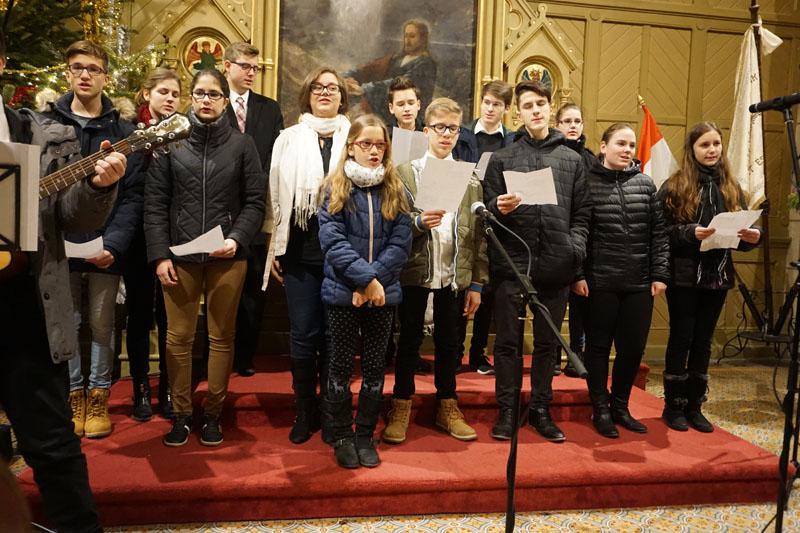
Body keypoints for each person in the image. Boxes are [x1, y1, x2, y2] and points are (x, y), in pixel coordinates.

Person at [0, 31, 128, 531]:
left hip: (26, 310)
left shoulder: (39, 131)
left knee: (53, 447)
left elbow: (72, 218)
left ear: (2, 60)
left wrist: (98, 186)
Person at [145, 68, 265, 447]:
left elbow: (255, 202)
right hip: (179, 256)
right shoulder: (171, 143)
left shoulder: (242, 145)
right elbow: (155, 204)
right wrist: (159, 256)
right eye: (200, 93)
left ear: (225, 101)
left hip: (226, 256)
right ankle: (181, 415)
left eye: (214, 94)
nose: (206, 100)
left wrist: (236, 238)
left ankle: (213, 413)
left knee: (221, 338)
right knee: (178, 338)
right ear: (191, 98)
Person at [44, 40, 144, 440]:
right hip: (58, 244)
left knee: (103, 324)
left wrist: (113, 244)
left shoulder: (123, 133)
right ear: (68, 73)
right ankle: (73, 396)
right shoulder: (46, 125)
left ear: (106, 76)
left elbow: (133, 195)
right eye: (77, 67)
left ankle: (99, 395)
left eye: (93, 68)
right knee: (67, 322)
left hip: (104, 245)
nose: (85, 75)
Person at [483, 80, 590, 443]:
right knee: (507, 343)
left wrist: (574, 249)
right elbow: (488, 213)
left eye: (541, 104)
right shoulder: (502, 158)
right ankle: (507, 410)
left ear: (550, 108)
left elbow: (582, 214)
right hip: (514, 264)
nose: (536, 111)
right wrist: (498, 206)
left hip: (557, 264)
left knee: (547, 344)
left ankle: (541, 409)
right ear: (518, 113)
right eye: (528, 106)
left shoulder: (572, 160)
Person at [382, 97, 488, 445]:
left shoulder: (469, 177)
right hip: (416, 270)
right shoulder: (405, 173)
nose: (446, 135)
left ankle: (447, 404)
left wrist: (476, 282)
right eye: (440, 128)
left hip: (453, 273)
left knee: (449, 342)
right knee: (409, 340)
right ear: (426, 130)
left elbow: (477, 237)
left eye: (453, 129)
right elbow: (392, 221)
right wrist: (416, 223)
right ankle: (401, 404)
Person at [318, 114, 412, 468]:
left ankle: (364, 435)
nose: (374, 151)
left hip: (382, 294)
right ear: (351, 147)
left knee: (375, 368)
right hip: (344, 292)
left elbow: (401, 243)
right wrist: (362, 281)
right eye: (366, 144)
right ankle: (342, 435)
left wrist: (373, 283)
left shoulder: (396, 188)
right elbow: (332, 241)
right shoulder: (334, 188)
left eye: (380, 145)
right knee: (341, 366)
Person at [264, 67, 350, 444]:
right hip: (299, 251)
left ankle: (331, 411)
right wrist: (274, 246)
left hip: (342, 253)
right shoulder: (288, 139)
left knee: (335, 335)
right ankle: (304, 409)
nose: (325, 92)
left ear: (342, 97)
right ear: (307, 94)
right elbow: (273, 195)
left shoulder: (355, 137)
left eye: (332, 88)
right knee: (303, 334)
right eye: (317, 87)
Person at [658, 122, 761, 433]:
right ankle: (673, 406)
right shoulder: (676, 185)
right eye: (705, 145)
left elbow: (741, 232)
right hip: (684, 276)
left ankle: (695, 405)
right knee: (682, 338)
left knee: (703, 341)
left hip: (717, 275)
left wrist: (751, 237)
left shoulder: (732, 187)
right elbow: (660, 232)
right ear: (692, 150)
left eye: (716, 144)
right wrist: (690, 233)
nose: (712, 150)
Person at [572, 123, 669, 438]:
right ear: (603, 146)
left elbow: (659, 234)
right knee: (598, 348)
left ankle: (620, 407)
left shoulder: (645, 184)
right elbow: (578, 233)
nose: (627, 150)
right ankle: (600, 408)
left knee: (632, 349)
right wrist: (578, 274)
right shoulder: (586, 183)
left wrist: (660, 274)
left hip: (639, 283)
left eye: (630, 145)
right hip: (599, 282)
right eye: (620, 144)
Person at [223, 41, 285, 377]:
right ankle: (219, 356)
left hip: (259, 208)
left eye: (255, 68)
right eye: (245, 66)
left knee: (253, 290)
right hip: (221, 209)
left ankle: (245, 358)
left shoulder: (268, 108)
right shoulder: (214, 102)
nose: (251, 73)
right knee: (222, 289)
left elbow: (276, 158)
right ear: (227, 66)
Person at [126, 67, 180, 422]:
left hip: (171, 234)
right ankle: (141, 386)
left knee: (170, 315)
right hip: (137, 235)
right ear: (147, 94)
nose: (170, 99)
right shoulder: (132, 132)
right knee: (140, 312)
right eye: (163, 92)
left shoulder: (184, 132)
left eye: (175, 94)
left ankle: (168, 388)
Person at [453, 79, 515, 374]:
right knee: (463, 288)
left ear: (506, 108)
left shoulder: (512, 140)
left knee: (487, 291)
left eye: (497, 104)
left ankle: (477, 353)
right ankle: (454, 352)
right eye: (486, 103)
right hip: (465, 214)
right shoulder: (463, 135)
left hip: (498, 217)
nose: (490, 109)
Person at [554, 103, 595, 378]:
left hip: (582, 237)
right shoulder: (551, 153)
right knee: (554, 303)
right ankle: (553, 355)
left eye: (577, 121)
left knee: (580, 303)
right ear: (557, 125)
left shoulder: (590, 160)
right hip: (555, 235)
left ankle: (576, 354)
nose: (572, 126)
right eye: (567, 121)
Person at [344, 19, 436, 124]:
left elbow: (400, 84)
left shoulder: (426, 64)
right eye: (406, 36)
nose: (407, 40)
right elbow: (368, 69)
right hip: (387, 110)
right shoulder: (396, 58)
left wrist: (363, 89)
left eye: (412, 36)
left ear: (422, 39)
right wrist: (344, 78)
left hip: (407, 119)